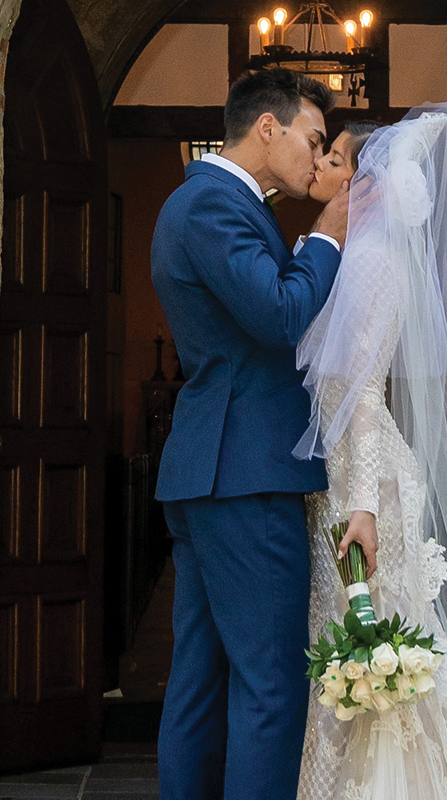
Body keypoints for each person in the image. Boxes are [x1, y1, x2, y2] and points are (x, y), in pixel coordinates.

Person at [295, 107, 447, 800]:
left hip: (365, 488)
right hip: (344, 478)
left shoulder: (371, 264)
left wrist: (362, 505)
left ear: (366, 184)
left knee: (375, 652)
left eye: (335, 160)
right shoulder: (350, 254)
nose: (322, 169)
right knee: (355, 654)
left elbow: (364, 394)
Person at [150, 69, 350, 800]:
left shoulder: (223, 203)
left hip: (218, 468)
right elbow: (276, 315)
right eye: (313, 137)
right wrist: (325, 236)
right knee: (269, 684)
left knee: (201, 683)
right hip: (246, 471)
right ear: (268, 127)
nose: (318, 157)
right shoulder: (211, 202)